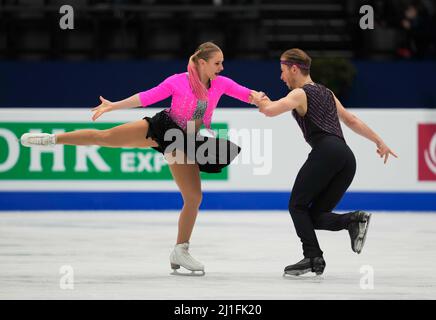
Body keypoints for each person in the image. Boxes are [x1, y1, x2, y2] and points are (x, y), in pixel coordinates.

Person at [21, 41, 261, 276]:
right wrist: (114, 106)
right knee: (105, 137)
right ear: (201, 63)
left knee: (194, 197)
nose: (221, 67)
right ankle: (52, 140)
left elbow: (245, 94)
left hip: (182, 141)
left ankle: (180, 250)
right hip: (163, 127)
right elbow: (145, 97)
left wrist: (262, 100)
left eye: (221, 63)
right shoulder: (178, 81)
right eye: (217, 63)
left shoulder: (220, 84)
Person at [251, 48, 398, 276]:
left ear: (294, 68)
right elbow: (351, 119)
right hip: (346, 159)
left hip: (327, 151)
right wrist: (378, 140)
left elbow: (270, 111)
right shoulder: (326, 92)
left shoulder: (300, 93)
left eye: (282, 71)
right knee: (315, 216)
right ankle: (353, 220)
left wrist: (256, 99)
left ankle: (312, 257)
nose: (281, 77)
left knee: (296, 205)